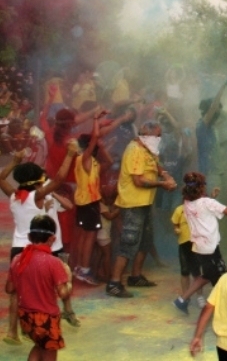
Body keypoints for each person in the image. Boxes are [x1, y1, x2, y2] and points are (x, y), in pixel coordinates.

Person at [0, 147, 75, 344]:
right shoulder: (37, 196)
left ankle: (12, 332)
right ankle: (41, 326)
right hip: (39, 248)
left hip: (18, 248)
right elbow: (58, 180)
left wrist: (15, 160)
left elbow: (1, 178)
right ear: (38, 179)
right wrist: (69, 154)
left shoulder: (15, 196)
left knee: (16, 292)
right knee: (46, 289)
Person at [106, 121, 178, 298]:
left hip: (145, 203)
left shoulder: (148, 149)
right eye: (157, 135)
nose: (159, 138)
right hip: (132, 204)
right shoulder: (135, 150)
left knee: (145, 241)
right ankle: (114, 282)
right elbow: (139, 181)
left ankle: (135, 276)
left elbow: (158, 166)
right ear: (147, 133)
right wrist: (163, 184)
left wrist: (166, 176)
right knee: (129, 242)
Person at [5, 215, 72, 361]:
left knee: (39, 346)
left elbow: (10, 289)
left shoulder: (18, 259)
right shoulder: (54, 263)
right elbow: (63, 293)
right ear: (52, 239)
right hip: (47, 319)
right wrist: (68, 279)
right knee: (48, 353)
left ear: (29, 236)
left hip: (26, 317)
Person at [173, 172, 227, 314]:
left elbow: (202, 206)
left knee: (211, 275)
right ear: (201, 188)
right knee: (218, 276)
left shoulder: (187, 204)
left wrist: (211, 197)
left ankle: (182, 300)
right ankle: (224, 308)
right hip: (210, 247)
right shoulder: (208, 203)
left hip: (199, 247)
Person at [71, 114, 105, 286]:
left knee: (84, 237)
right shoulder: (85, 158)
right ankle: (84, 270)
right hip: (90, 203)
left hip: (83, 202)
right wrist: (96, 120)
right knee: (89, 238)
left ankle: (79, 267)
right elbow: (96, 137)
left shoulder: (83, 160)